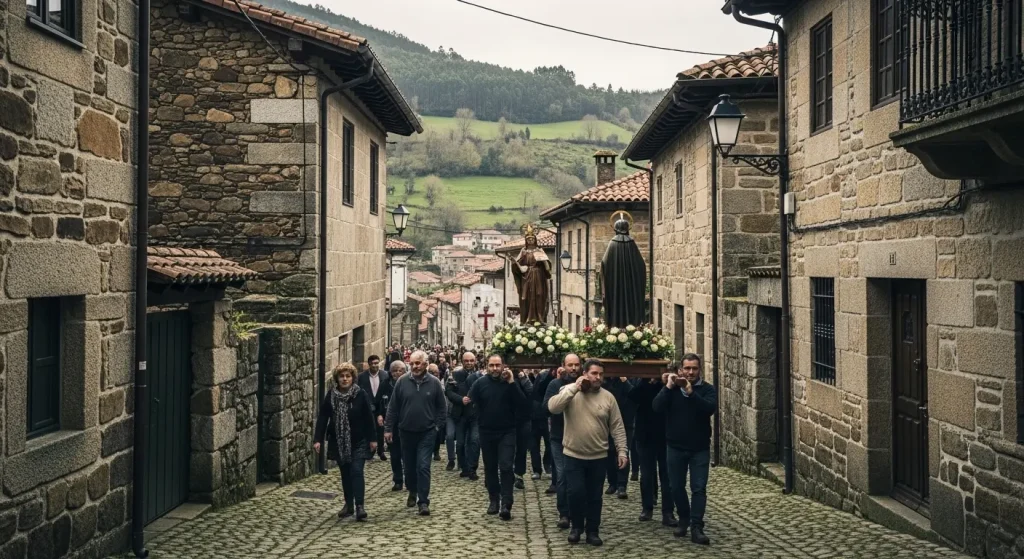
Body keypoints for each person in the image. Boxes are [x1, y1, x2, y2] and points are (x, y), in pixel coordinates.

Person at [547, 359, 627, 547]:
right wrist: (574, 388)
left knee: (594, 495)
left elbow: (617, 426)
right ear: (585, 373)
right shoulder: (569, 391)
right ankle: (576, 527)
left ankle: (593, 530)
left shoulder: (608, 397)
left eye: (600, 374)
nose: (597, 377)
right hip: (573, 454)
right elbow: (553, 407)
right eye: (593, 373)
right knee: (575, 493)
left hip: (598, 456)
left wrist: (622, 451)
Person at [653, 354, 717, 545]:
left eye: (694, 369)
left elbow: (709, 408)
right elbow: (656, 407)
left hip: (699, 448)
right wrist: (668, 387)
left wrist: (691, 393)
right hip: (675, 447)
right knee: (675, 486)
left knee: (699, 488)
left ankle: (697, 526)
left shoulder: (707, 390)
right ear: (680, 370)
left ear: (699, 370)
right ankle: (684, 517)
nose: (690, 372)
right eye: (687, 368)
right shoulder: (671, 391)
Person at [384, 350, 447, 516]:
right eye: (411, 364)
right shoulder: (402, 382)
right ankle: (412, 489)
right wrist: (388, 428)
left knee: (423, 466)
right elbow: (393, 407)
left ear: (425, 364)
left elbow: (442, 407)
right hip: (406, 432)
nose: (414, 366)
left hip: (427, 432)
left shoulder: (434, 383)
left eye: (418, 363)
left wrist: (437, 427)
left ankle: (423, 501)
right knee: (410, 467)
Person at [467, 354, 528, 520]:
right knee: (490, 467)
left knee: (506, 466)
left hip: (507, 431)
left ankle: (506, 503)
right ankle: (494, 499)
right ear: (487, 366)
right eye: (492, 365)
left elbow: (522, 404)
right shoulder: (480, 383)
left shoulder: (509, 383)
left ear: (503, 366)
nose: (495, 369)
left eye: (498, 365)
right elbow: (471, 401)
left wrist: (512, 382)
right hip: (486, 431)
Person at [314, 363, 377, 521]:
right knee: (346, 474)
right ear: (337, 378)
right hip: (339, 441)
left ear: (353, 378)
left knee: (356, 471)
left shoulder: (360, 394)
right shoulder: (331, 395)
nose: (344, 379)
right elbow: (323, 418)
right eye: (342, 376)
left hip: (359, 440)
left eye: (348, 376)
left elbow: (369, 418)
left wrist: (373, 439)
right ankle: (348, 505)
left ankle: (360, 507)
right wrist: (318, 439)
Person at [629, 375, 677, 527]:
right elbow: (632, 396)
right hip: (644, 435)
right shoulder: (640, 383)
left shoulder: (667, 384)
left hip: (665, 435)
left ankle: (668, 512)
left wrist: (664, 383)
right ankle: (647, 508)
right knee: (647, 475)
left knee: (667, 475)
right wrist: (644, 380)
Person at [543, 354, 581, 530]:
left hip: (581, 437)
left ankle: (580, 512)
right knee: (563, 475)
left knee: (579, 477)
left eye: (576, 365)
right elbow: (546, 408)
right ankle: (564, 513)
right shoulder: (555, 384)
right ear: (563, 366)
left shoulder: (586, 385)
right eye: (570, 365)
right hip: (559, 437)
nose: (573, 368)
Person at [445, 351, 482, 480]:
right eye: (466, 361)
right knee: (460, 444)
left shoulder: (480, 376)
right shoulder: (455, 375)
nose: (469, 363)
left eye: (471, 361)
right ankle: (464, 467)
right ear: (462, 361)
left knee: (474, 440)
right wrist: (461, 399)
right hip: (460, 415)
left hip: (475, 415)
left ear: (475, 361)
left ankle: (472, 469)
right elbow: (448, 392)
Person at [603, 376, 636, 499]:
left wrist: (625, 381)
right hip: (607, 421)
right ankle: (612, 483)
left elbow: (635, 395)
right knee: (609, 452)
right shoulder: (606, 379)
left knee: (623, 452)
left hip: (626, 420)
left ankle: (622, 485)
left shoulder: (631, 379)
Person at [357, 355, 391, 462]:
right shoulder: (362, 377)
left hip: (381, 406)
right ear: (369, 364)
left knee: (381, 429)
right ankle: (370, 451)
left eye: (376, 363)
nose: (375, 365)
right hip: (368, 406)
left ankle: (381, 451)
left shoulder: (385, 375)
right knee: (369, 428)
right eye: (372, 364)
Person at [529, 369, 556, 481]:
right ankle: (537, 469)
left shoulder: (546, 375)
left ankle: (548, 465)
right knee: (534, 445)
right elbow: (535, 391)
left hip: (547, 415)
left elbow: (542, 388)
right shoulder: (537, 375)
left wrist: (551, 374)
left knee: (550, 443)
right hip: (534, 415)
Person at [385, 360, 407, 491]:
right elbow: (379, 403)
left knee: (407, 456)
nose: (397, 373)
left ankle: (409, 479)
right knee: (395, 455)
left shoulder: (409, 384)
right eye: (395, 370)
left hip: (407, 425)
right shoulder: (386, 385)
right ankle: (398, 480)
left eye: (400, 370)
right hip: (392, 426)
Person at [512, 369, 534, 489]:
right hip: (509, 419)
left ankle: (519, 475)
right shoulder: (505, 378)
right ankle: (507, 473)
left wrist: (523, 378)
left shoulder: (524, 379)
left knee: (521, 448)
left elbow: (531, 391)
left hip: (524, 418)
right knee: (508, 448)